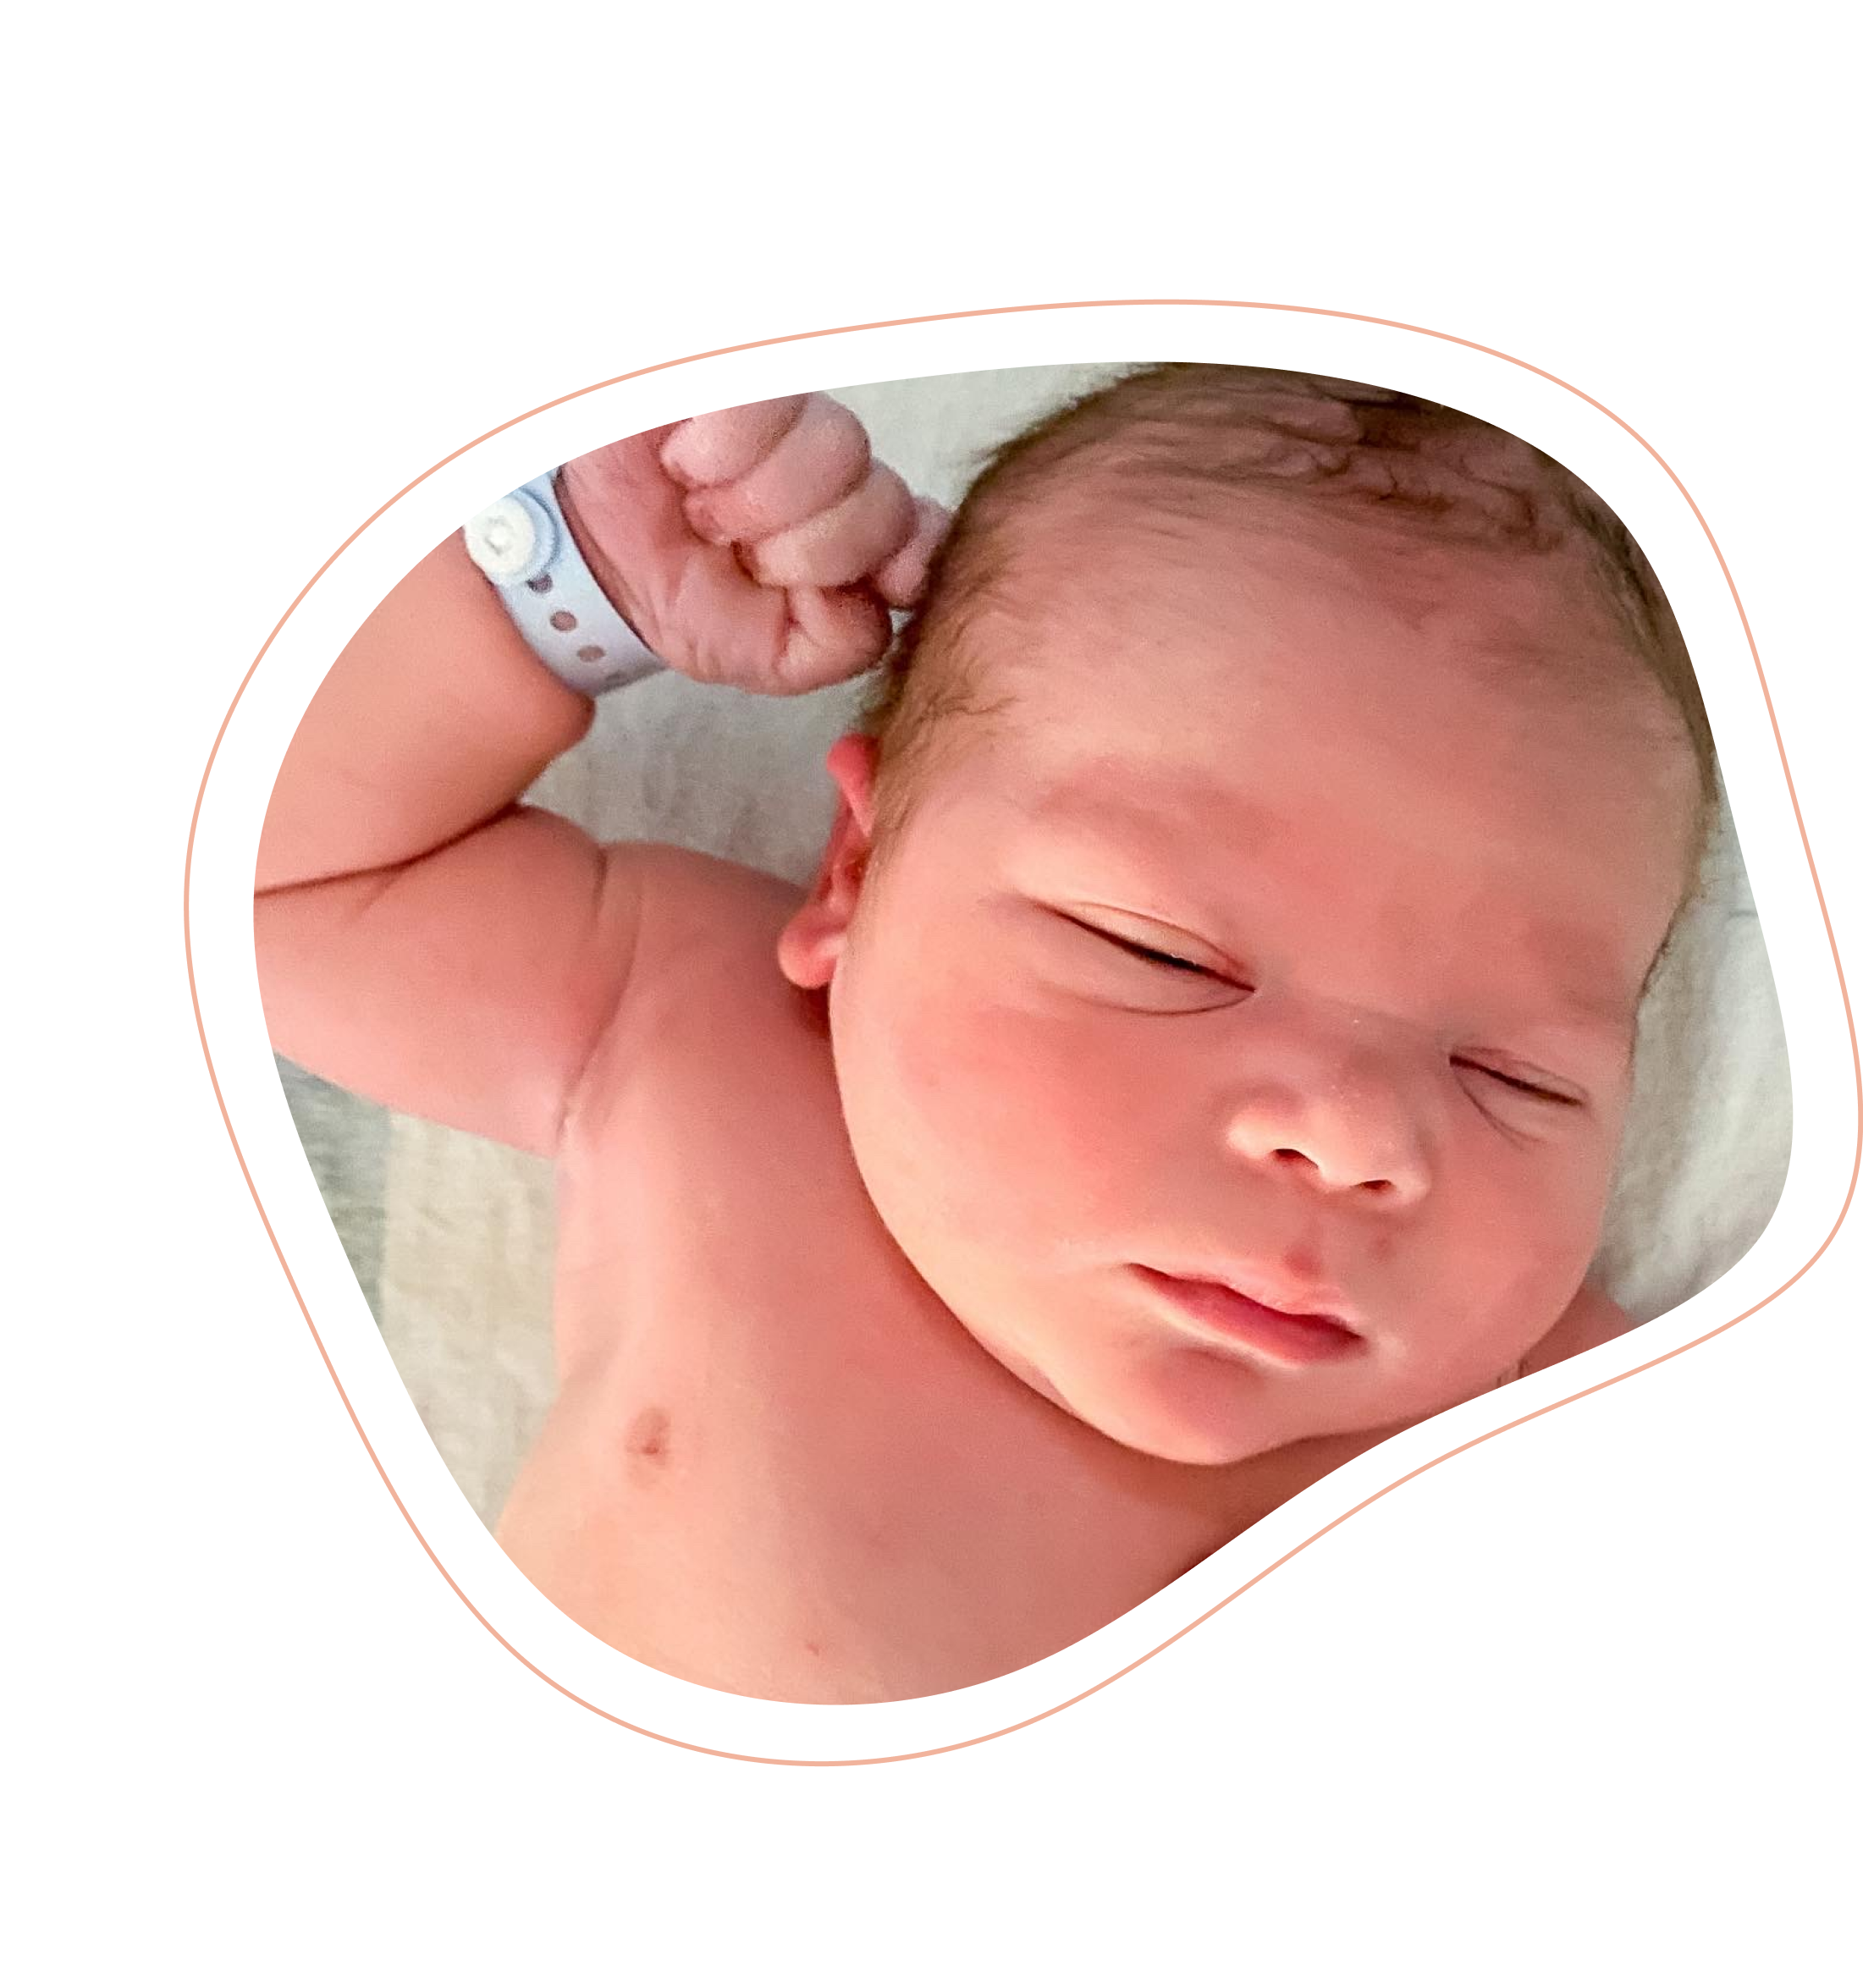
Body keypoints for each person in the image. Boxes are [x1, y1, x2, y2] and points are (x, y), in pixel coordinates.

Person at [254, 364, 1715, 1704]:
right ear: (854, 872)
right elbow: (285, 883)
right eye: (1160, 954)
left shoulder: (1529, 1374)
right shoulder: (696, 1026)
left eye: (1515, 1076)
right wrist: (568, 579)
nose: (1354, 1136)